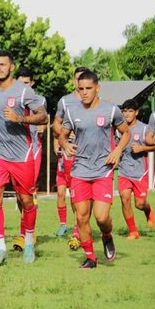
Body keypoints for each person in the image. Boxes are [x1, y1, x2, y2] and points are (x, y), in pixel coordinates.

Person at [58, 69, 130, 269]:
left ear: (97, 88)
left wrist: (117, 151)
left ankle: (107, 235)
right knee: (81, 216)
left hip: (102, 170)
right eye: (81, 89)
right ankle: (90, 257)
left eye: (89, 88)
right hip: (80, 170)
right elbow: (62, 135)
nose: (84, 92)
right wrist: (65, 144)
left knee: (101, 216)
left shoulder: (111, 110)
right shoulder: (72, 112)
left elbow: (126, 133)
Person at [0, 50, 47, 265]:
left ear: (11, 66)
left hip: (22, 155)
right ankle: (1, 248)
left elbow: (43, 116)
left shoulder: (24, 92)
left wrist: (20, 118)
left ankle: (28, 241)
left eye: (2, 64)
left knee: (26, 201)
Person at [13, 67, 47, 252]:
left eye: (26, 83)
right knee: (19, 195)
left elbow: (45, 120)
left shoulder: (39, 100)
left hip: (32, 151)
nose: (23, 86)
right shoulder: (10, 99)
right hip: (13, 153)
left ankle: (27, 234)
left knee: (28, 193)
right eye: (20, 83)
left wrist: (44, 128)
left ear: (32, 84)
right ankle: (26, 229)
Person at [52, 67, 86, 247]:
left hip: (83, 156)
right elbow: (55, 126)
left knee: (76, 195)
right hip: (66, 155)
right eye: (77, 79)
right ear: (74, 81)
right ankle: (63, 224)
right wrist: (62, 139)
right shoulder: (65, 101)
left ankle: (76, 227)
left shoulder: (94, 103)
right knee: (60, 192)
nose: (79, 83)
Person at [116, 99, 155, 239]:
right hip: (124, 171)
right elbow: (115, 146)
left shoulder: (145, 129)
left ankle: (148, 210)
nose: (127, 114)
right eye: (124, 111)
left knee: (139, 204)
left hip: (140, 173)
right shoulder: (118, 130)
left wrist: (142, 148)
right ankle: (133, 232)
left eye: (130, 111)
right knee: (124, 198)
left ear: (136, 112)